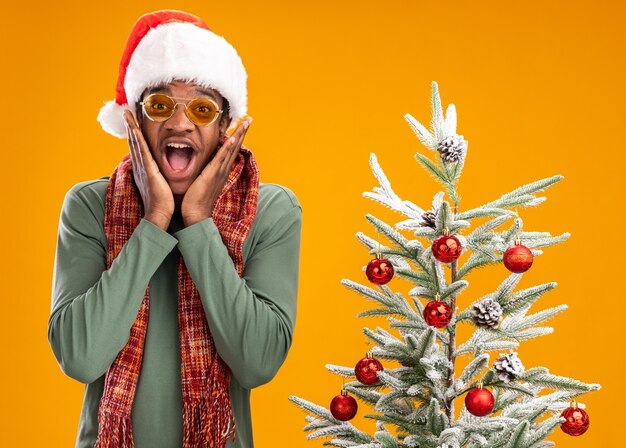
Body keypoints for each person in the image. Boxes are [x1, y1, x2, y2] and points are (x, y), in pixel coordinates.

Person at [48, 9, 302, 448]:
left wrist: (199, 223)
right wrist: (153, 221)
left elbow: (258, 362)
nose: (180, 123)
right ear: (136, 121)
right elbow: (80, 356)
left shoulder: (270, 209)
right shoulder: (90, 205)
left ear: (225, 127)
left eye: (202, 108)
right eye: (160, 105)